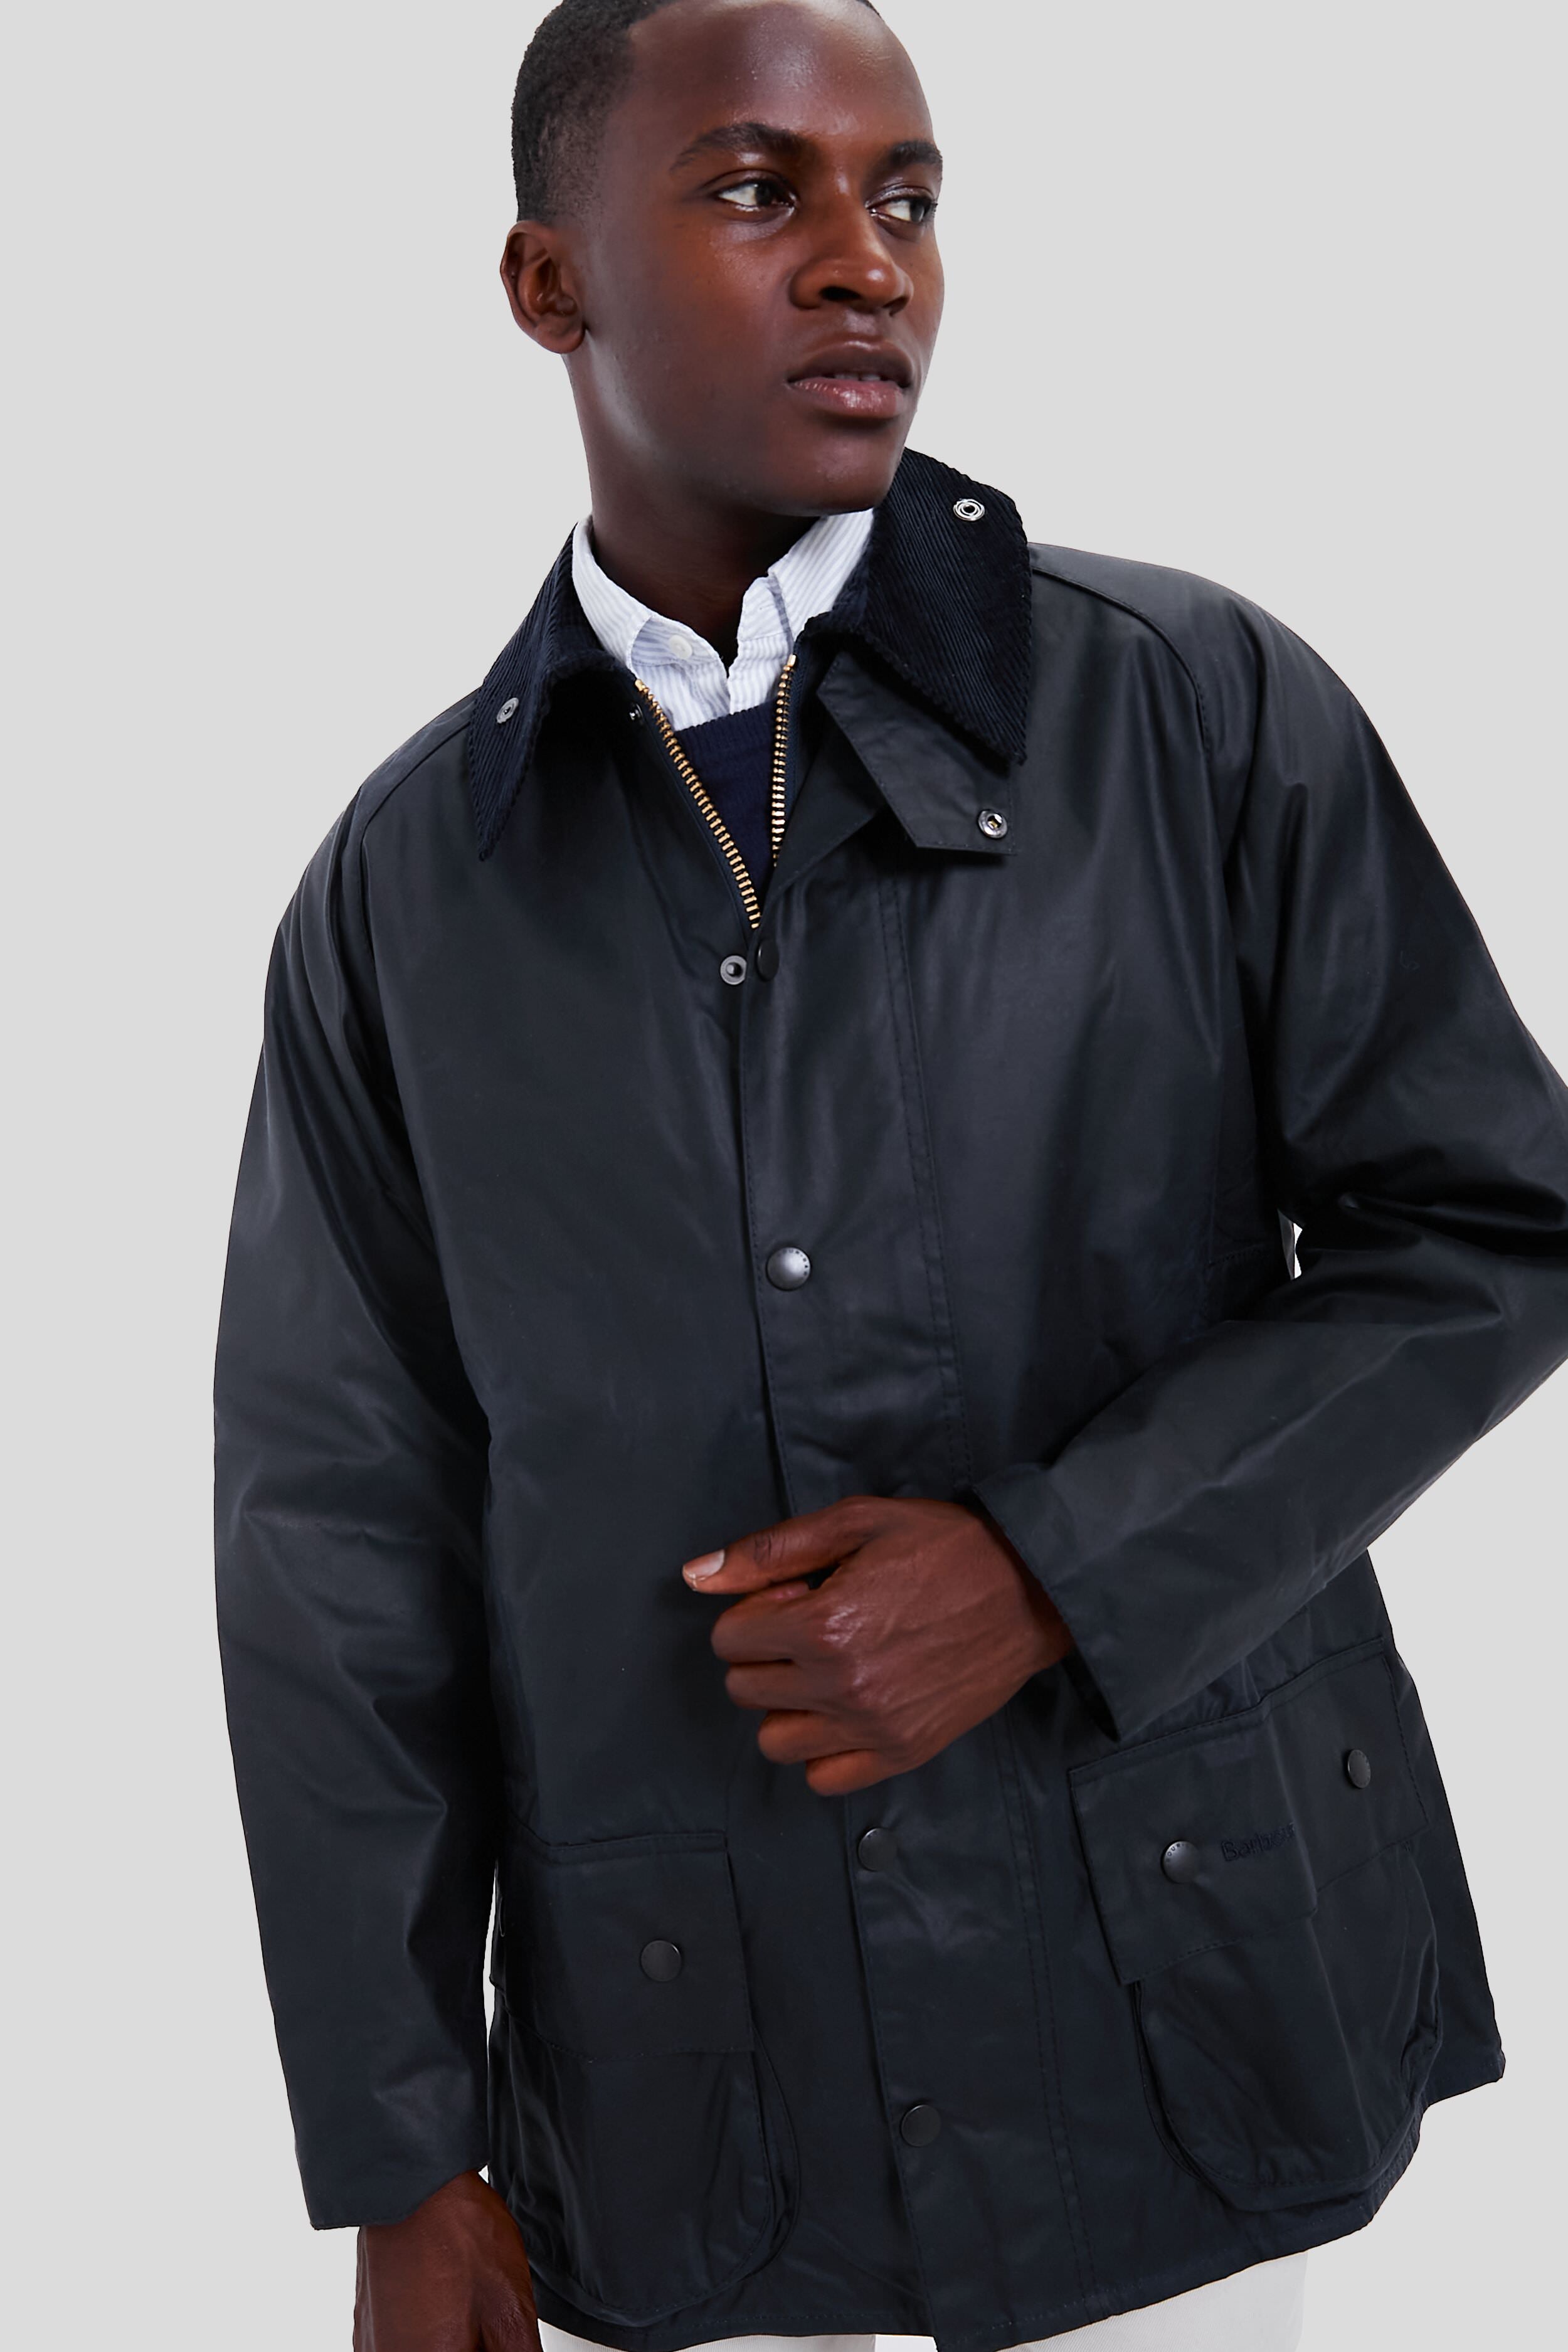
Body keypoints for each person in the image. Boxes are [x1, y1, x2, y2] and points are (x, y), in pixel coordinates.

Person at [213, 2, 1568, 2348]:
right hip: (691, 2103)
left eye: (908, 199)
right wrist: (399, 2146)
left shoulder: (1186, 703)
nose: (869, 264)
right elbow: (343, 1537)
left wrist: (1057, 1567)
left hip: (1201, 2025)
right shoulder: (408, 893)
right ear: (548, 282)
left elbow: (1489, 1225)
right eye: (761, 191)